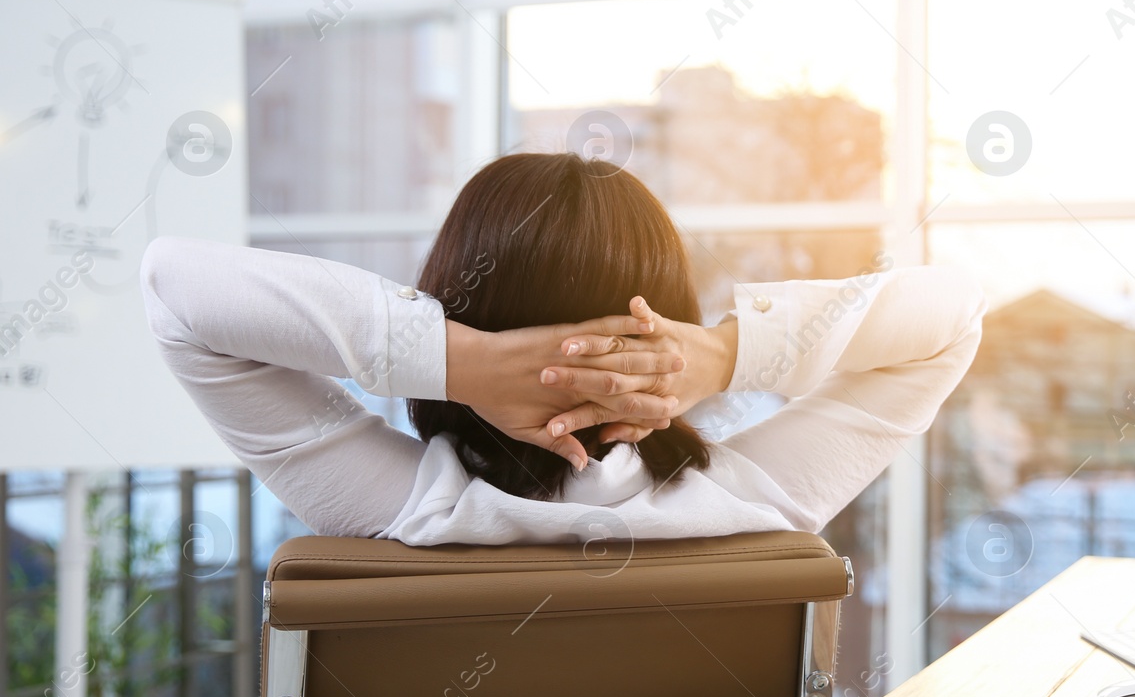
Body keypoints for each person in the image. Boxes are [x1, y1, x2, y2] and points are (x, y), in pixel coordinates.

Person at [141, 153, 984, 544]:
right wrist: (728, 357)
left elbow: (175, 289)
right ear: (670, 320)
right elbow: (952, 316)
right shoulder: (755, 504)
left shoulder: (414, 511)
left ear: (454, 299)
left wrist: (461, 363)